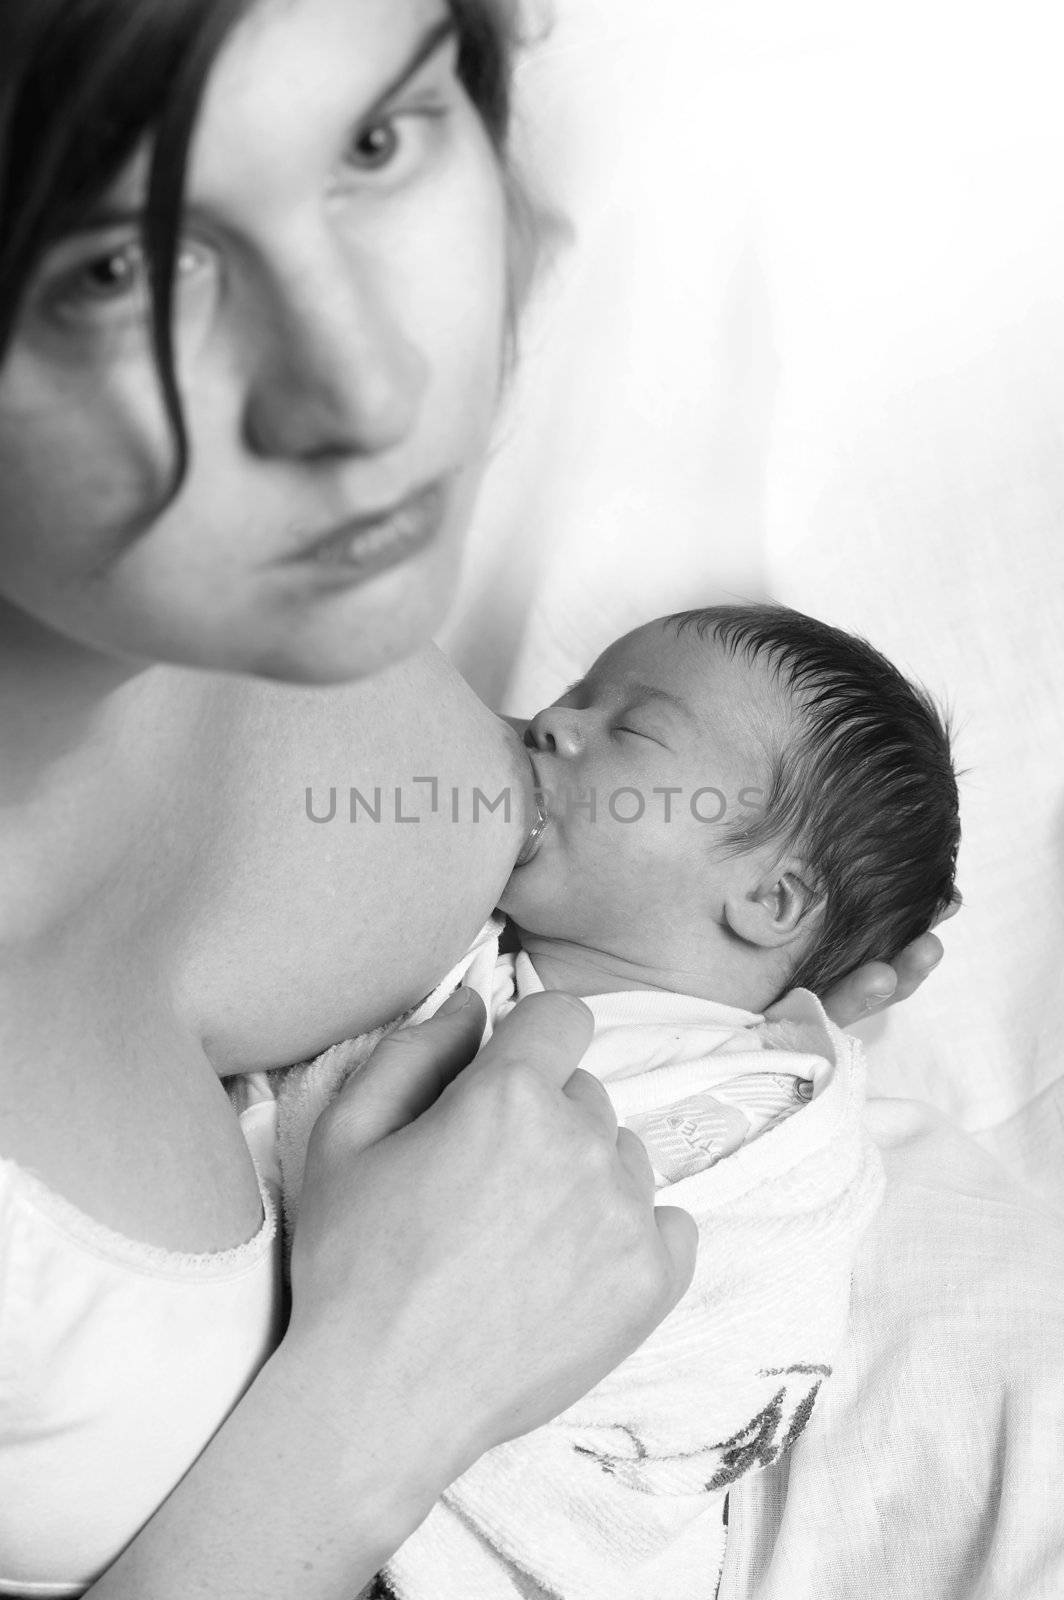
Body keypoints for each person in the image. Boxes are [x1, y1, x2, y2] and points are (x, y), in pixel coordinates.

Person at [0, 3, 945, 1595]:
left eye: (372, 143)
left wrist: (707, 1004)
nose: (368, 391)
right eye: (117, 265)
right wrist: (372, 1410)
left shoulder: (286, 592)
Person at [277, 601, 956, 1598]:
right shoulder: (458, 941)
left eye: (629, 730)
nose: (551, 723)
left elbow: (662, 1283)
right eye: (567, 697)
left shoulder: (750, 1107)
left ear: (770, 899)